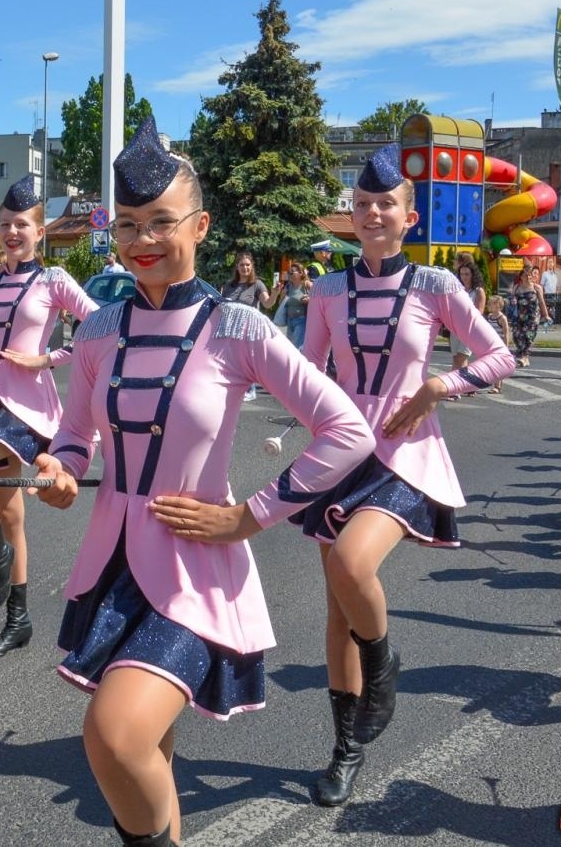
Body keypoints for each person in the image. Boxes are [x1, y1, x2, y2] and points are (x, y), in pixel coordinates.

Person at [31, 118, 375, 846]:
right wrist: (61, 470)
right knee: (148, 747)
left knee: (115, 735)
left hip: (195, 574)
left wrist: (249, 516)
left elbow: (348, 431)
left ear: (201, 225)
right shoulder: (96, 332)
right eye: (126, 225)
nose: (141, 241)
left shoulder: (237, 329)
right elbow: (74, 437)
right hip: (113, 567)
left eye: (160, 222)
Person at [297, 143, 515, 807]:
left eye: (384, 205)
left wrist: (440, 386)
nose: (370, 214)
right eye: (361, 205)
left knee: (354, 565)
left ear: (408, 217)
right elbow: (306, 374)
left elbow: (501, 356)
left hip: (405, 452)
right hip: (342, 452)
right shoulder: (327, 289)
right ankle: (347, 749)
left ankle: (384, 666)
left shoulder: (435, 285)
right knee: (337, 612)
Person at [0, 174, 97, 661]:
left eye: (22, 226)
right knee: (12, 514)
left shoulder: (53, 281)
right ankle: (19, 619)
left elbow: (99, 327)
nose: (13, 233)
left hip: (28, 409)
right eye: (7, 225)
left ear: (40, 231)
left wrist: (47, 358)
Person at [222, 253, 270, 402]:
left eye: (248, 265)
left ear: (252, 267)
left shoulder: (257, 284)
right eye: (242, 265)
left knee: (246, 361)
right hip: (231, 329)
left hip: (248, 329)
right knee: (232, 361)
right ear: (237, 267)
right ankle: (236, 389)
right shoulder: (229, 285)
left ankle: (251, 390)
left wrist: (274, 294)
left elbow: (267, 304)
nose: (245, 268)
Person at [508, 264, 550, 368]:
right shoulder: (517, 287)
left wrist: (546, 315)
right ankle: (522, 355)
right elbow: (511, 300)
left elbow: (541, 302)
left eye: (530, 276)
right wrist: (512, 301)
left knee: (529, 336)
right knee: (517, 335)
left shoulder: (536, 287)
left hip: (532, 317)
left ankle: (525, 357)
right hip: (519, 316)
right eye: (525, 276)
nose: (528, 277)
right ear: (521, 277)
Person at [449, 262, 487, 374]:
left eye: (467, 274)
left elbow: (480, 310)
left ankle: (454, 387)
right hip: (455, 327)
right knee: (456, 359)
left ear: (473, 275)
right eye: (462, 274)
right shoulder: (457, 290)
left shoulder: (478, 291)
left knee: (462, 357)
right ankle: (467, 385)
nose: (464, 277)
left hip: (470, 328)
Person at [270, 262, 312, 349]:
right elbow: (280, 304)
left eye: (292, 272)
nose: (289, 275)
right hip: (290, 320)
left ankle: (299, 362)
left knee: (296, 347)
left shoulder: (306, 284)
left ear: (300, 273)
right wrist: (282, 295)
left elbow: (319, 298)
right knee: (291, 346)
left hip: (301, 320)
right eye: (289, 272)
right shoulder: (288, 286)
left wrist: (310, 300)